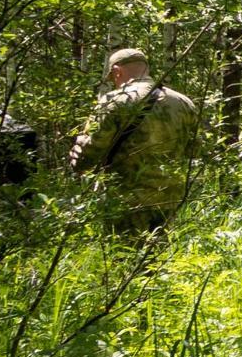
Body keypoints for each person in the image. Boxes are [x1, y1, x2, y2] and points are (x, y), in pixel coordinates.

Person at [68, 47, 203, 235]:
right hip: (168, 197)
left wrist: (79, 152)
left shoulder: (115, 100)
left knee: (124, 257)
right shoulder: (184, 102)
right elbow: (194, 151)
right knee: (157, 257)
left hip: (126, 200)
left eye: (113, 77)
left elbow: (93, 152)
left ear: (117, 71)